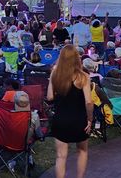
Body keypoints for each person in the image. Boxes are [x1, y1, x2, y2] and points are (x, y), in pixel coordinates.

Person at [48, 45, 93, 178]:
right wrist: (90, 119)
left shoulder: (56, 74)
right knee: (82, 151)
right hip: (79, 120)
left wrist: (51, 78)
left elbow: (50, 97)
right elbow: (89, 102)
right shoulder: (83, 77)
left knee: (61, 156)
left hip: (60, 119)